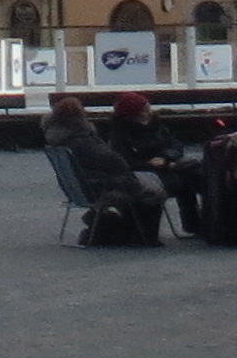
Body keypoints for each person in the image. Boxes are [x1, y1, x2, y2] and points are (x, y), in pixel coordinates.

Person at [45, 92, 161, 247]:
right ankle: (144, 236)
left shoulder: (59, 138)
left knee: (143, 182)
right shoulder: (82, 139)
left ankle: (113, 227)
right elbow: (115, 161)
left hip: (79, 188)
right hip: (100, 187)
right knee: (152, 188)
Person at [106, 91, 201, 235]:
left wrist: (165, 158)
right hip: (147, 174)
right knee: (184, 182)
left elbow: (176, 145)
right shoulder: (120, 134)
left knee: (195, 175)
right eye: (144, 110)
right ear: (133, 114)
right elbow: (125, 162)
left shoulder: (156, 125)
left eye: (148, 108)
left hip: (166, 166)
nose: (149, 113)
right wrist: (149, 163)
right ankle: (192, 224)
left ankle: (200, 223)